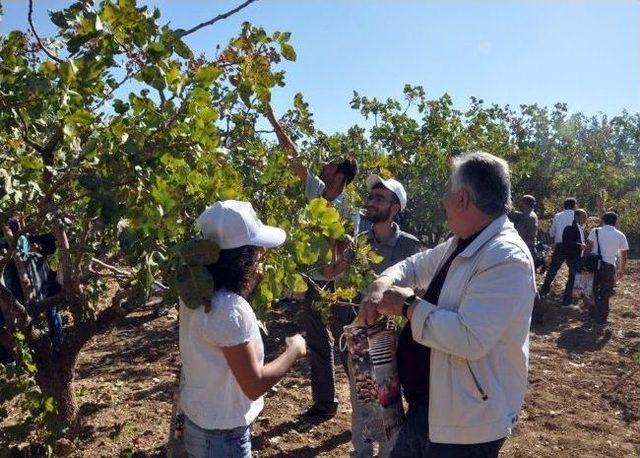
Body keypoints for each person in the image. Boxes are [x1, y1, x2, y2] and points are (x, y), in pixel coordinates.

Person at [359, 152, 536, 457]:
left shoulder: (505, 258)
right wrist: (382, 283)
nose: (443, 202)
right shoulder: (463, 241)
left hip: (467, 424)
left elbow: (470, 337)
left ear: (462, 199)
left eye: (446, 192)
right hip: (432, 404)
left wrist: (407, 306)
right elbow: (414, 266)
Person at [179, 200, 306, 458]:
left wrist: (244, 284)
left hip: (199, 426)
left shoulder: (193, 293)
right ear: (242, 257)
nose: (261, 253)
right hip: (223, 440)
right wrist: (294, 350)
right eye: (257, 250)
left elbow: (220, 321)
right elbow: (254, 384)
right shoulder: (231, 311)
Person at [266, 104, 361, 420]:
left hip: (339, 287)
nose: (323, 164)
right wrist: (271, 116)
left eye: (330, 164)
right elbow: (293, 157)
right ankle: (325, 405)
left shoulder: (349, 211)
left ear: (340, 175)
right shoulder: (316, 191)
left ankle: (365, 403)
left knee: (349, 344)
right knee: (319, 344)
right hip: (313, 281)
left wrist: (335, 272)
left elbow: (348, 253)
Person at [323, 175, 422, 457]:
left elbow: (419, 290)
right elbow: (335, 275)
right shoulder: (357, 243)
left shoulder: (410, 246)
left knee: (390, 404)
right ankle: (362, 453)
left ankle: (389, 452)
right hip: (362, 336)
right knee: (362, 398)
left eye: (380, 198)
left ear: (395, 208)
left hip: (397, 339)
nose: (372, 202)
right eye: (371, 197)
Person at [585, 211, 629, 325]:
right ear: (616, 222)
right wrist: (621, 269)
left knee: (592, 290)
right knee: (605, 293)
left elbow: (588, 248)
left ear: (603, 220)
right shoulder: (620, 235)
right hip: (609, 267)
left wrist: (583, 263)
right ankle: (601, 319)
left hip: (594, 266)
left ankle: (592, 314)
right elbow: (623, 255)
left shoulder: (595, 231)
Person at [540, 197, 578, 298]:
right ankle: (569, 294)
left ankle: (544, 290)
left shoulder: (558, 216)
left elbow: (552, 232)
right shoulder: (576, 216)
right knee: (573, 271)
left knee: (553, 269)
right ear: (574, 206)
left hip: (560, 246)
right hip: (573, 246)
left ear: (564, 205)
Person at [560, 209, 587, 307]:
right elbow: (567, 242)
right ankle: (567, 302)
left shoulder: (580, 228)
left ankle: (571, 301)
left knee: (576, 279)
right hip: (572, 257)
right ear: (576, 217)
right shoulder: (569, 228)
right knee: (574, 279)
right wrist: (579, 245)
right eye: (583, 216)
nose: (585, 219)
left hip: (579, 258)